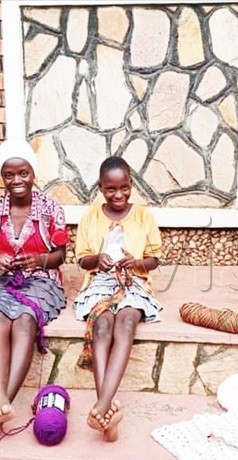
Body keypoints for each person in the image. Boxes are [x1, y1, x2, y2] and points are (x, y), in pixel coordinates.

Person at [0, 139, 69, 436]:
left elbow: (61, 256)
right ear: (2, 177)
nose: (17, 181)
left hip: (41, 279)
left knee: (25, 319)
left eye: (23, 173)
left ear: (33, 173)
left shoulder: (51, 208)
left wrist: (39, 259)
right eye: (9, 175)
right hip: (2, 280)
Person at [74, 156, 162, 442]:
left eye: (124, 187)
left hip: (134, 282)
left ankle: (101, 406)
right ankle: (106, 409)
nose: (118, 195)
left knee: (125, 323)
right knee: (102, 324)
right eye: (111, 189)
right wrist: (98, 259)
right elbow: (82, 260)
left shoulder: (143, 216)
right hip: (100, 283)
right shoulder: (91, 216)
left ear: (131, 185)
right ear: (100, 188)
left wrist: (135, 263)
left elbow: (154, 260)